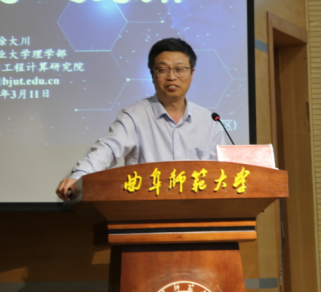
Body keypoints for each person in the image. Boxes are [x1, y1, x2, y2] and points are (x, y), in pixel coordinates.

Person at [55, 38, 229, 200]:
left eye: (179, 69)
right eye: (163, 70)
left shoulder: (209, 121)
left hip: (196, 211)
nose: (171, 77)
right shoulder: (134, 116)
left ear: (192, 73)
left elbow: (223, 171)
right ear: (152, 74)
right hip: (146, 209)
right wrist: (79, 175)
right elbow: (108, 148)